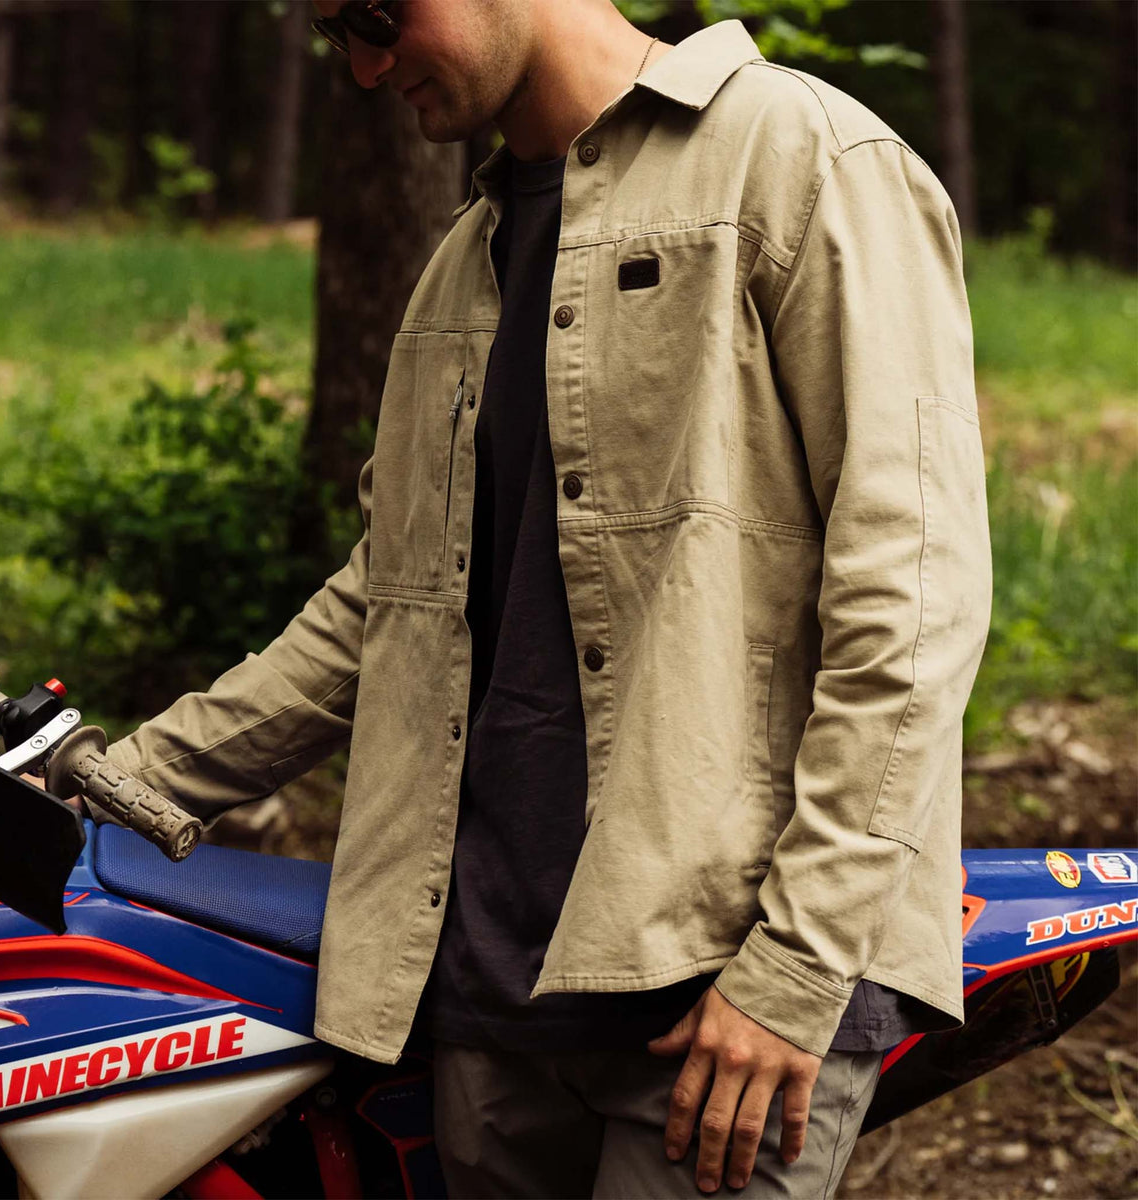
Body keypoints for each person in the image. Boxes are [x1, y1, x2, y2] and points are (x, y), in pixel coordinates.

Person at [100, 2, 993, 1196]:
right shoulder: (461, 258)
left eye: (375, 17)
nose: (366, 69)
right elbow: (392, 602)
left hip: (721, 996)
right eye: (335, 41)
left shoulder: (803, 158)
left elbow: (917, 596)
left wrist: (795, 968)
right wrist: (106, 786)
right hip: (488, 989)